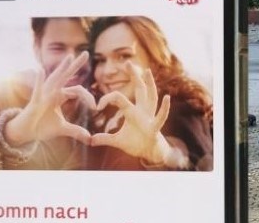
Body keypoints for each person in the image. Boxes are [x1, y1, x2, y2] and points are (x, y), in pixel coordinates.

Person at [84, 16, 214, 171]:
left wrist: (159, 156)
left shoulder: (178, 111)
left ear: (154, 60)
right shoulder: (105, 117)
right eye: (101, 60)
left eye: (124, 56)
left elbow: (202, 179)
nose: (108, 71)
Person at [0, 17, 97, 170]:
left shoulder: (101, 101)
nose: (71, 61)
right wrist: (13, 133)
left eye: (83, 49)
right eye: (58, 48)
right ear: (37, 49)